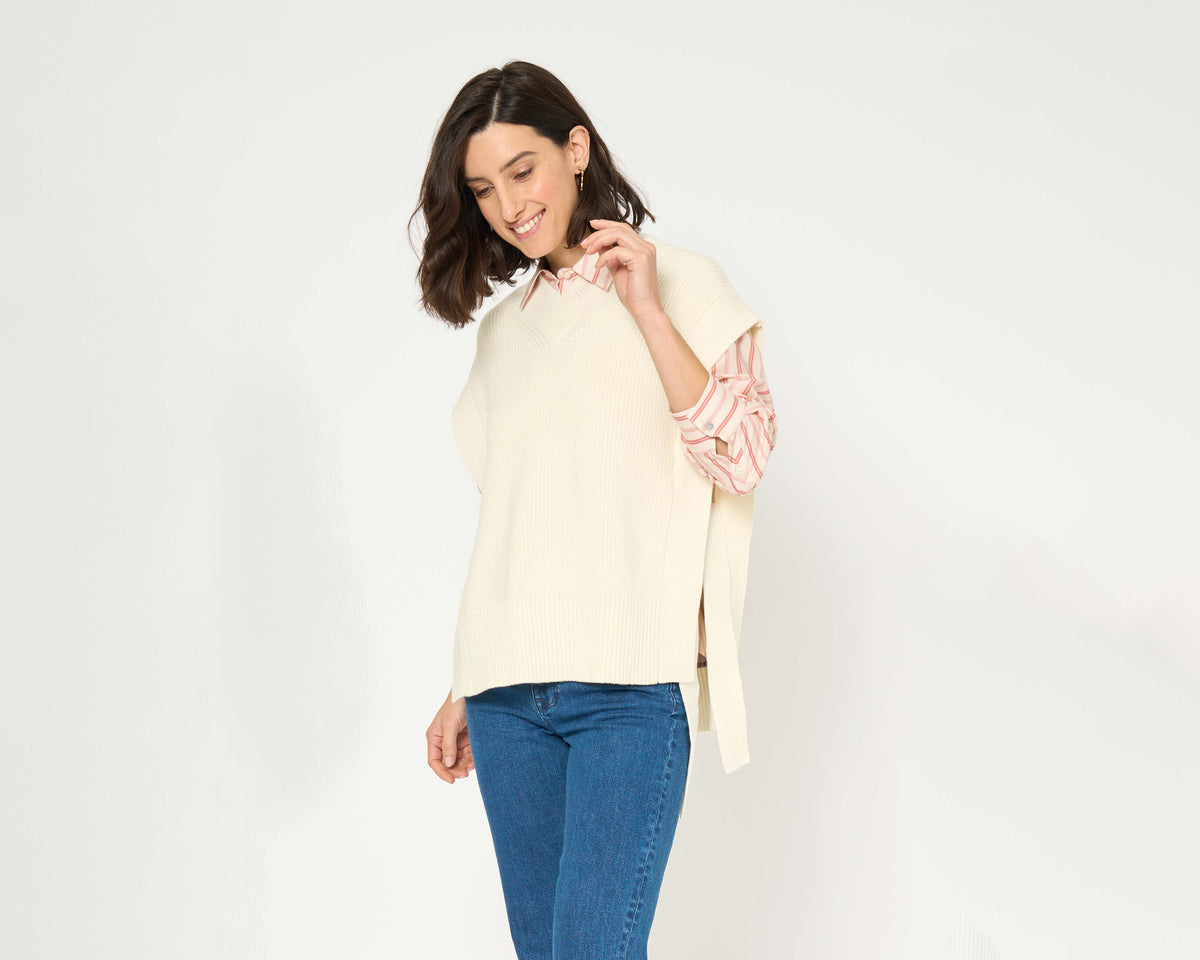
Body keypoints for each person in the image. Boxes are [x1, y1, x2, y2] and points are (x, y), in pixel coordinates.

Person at [410, 60, 778, 959]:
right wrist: (464, 681)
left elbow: (742, 456)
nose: (509, 206)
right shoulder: (504, 333)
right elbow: (521, 518)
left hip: (628, 690)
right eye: (483, 189)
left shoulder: (686, 284)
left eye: (523, 170)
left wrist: (646, 311)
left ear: (575, 150)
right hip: (505, 695)